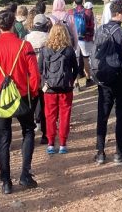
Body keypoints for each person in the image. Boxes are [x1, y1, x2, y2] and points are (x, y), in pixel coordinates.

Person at [0, 9, 41, 194]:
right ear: (13, 23)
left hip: (1, 97)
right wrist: (33, 93)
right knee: (28, 131)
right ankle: (25, 174)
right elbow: (34, 74)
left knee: (3, 138)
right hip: (22, 95)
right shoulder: (25, 45)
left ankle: (6, 181)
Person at [92, 0, 122, 165]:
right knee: (121, 115)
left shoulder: (100, 29)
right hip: (119, 79)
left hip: (102, 79)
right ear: (120, 13)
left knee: (102, 115)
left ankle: (100, 152)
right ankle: (119, 151)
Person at [40, 23, 80, 155]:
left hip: (49, 88)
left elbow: (40, 69)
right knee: (64, 115)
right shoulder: (69, 50)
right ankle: (63, 143)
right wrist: (70, 80)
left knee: (50, 116)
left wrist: (45, 82)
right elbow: (76, 69)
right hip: (65, 87)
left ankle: (51, 143)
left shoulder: (45, 50)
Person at [26, 13, 52, 143]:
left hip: (30, 75)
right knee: (45, 104)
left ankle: (29, 132)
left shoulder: (27, 38)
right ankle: (45, 134)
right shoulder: (48, 38)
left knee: (31, 105)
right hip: (45, 74)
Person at [68, 0, 96, 86]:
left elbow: (68, 26)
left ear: (74, 1)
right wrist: (91, 37)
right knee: (86, 59)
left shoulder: (70, 12)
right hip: (85, 39)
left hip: (74, 39)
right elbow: (92, 26)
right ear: (83, 0)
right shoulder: (88, 12)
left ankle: (76, 83)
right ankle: (88, 80)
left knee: (75, 60)